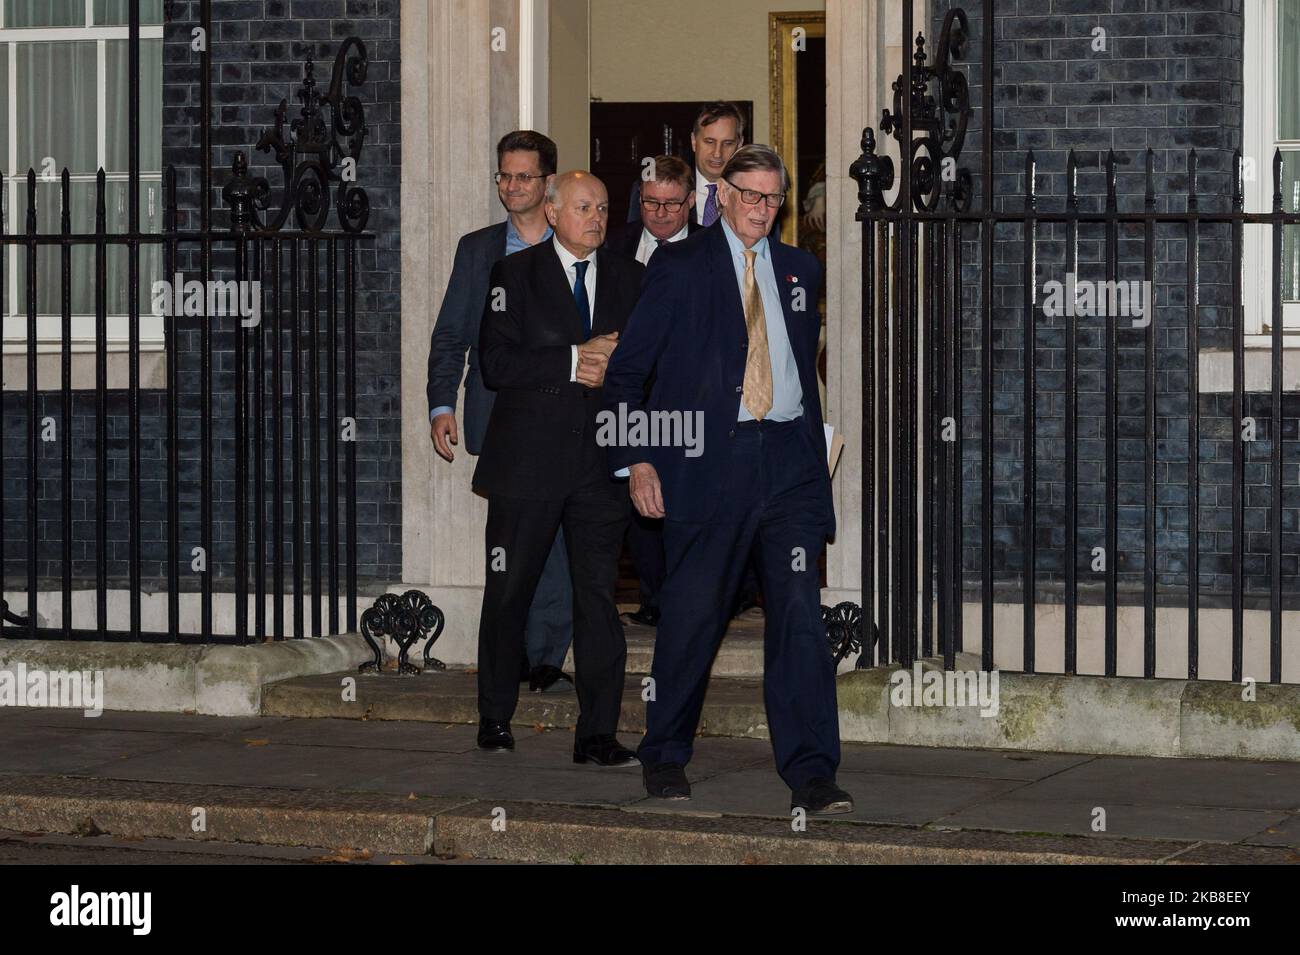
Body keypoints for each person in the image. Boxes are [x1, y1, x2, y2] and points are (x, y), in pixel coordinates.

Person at [603, 145, 851, 814]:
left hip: (791, 466)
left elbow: (800, 366)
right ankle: (663, 757)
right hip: (713, 466)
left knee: (799, 614)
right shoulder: (681, 267)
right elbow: (627, 374)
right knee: (693, 614)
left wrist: (814, 453)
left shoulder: (802, 270)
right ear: (724, 194)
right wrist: (640, 459)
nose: (761, 209)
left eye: (773, 198)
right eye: (750, 195)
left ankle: (812, 771)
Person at [473, 171, 644, 765]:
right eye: (582, 206)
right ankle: (494, 715)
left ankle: (597, 733)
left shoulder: (631, 277)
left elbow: (651, 363)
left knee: (596, 598)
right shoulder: (513, 276)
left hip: (599, 465)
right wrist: (576, 359)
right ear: (551, 213)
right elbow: (496, 361)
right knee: (509, 589)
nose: (596, 217)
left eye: (601, 206)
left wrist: (619, 358)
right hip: (527, 464)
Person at [425, 130, 575, 694]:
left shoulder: (575, 243)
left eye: (524, 177)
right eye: (505, 176)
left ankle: (547, 655)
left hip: (564, 420)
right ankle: (509, 653)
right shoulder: (478, 249)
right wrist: (442, 404)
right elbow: (451, 336)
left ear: (547, 184)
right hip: (500, 419)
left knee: (559, 542)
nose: (512, 187)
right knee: (508, 544)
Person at [605, 155, 700, 627]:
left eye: (671, 204)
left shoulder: (710, 249)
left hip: (688, 401)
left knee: (685, 507)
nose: (660, 213)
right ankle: (652, 600)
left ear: (691, 202)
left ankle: (691, 603)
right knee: (635, 501)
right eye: (650, 203)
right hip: (623, 394)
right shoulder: (612, 244)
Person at [625, 101, 744, 226]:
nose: (717, 153)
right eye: (709, 142)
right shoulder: (654, 185)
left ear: (740, 144)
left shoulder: (751, 190)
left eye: (728, 143)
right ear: (694, 141)